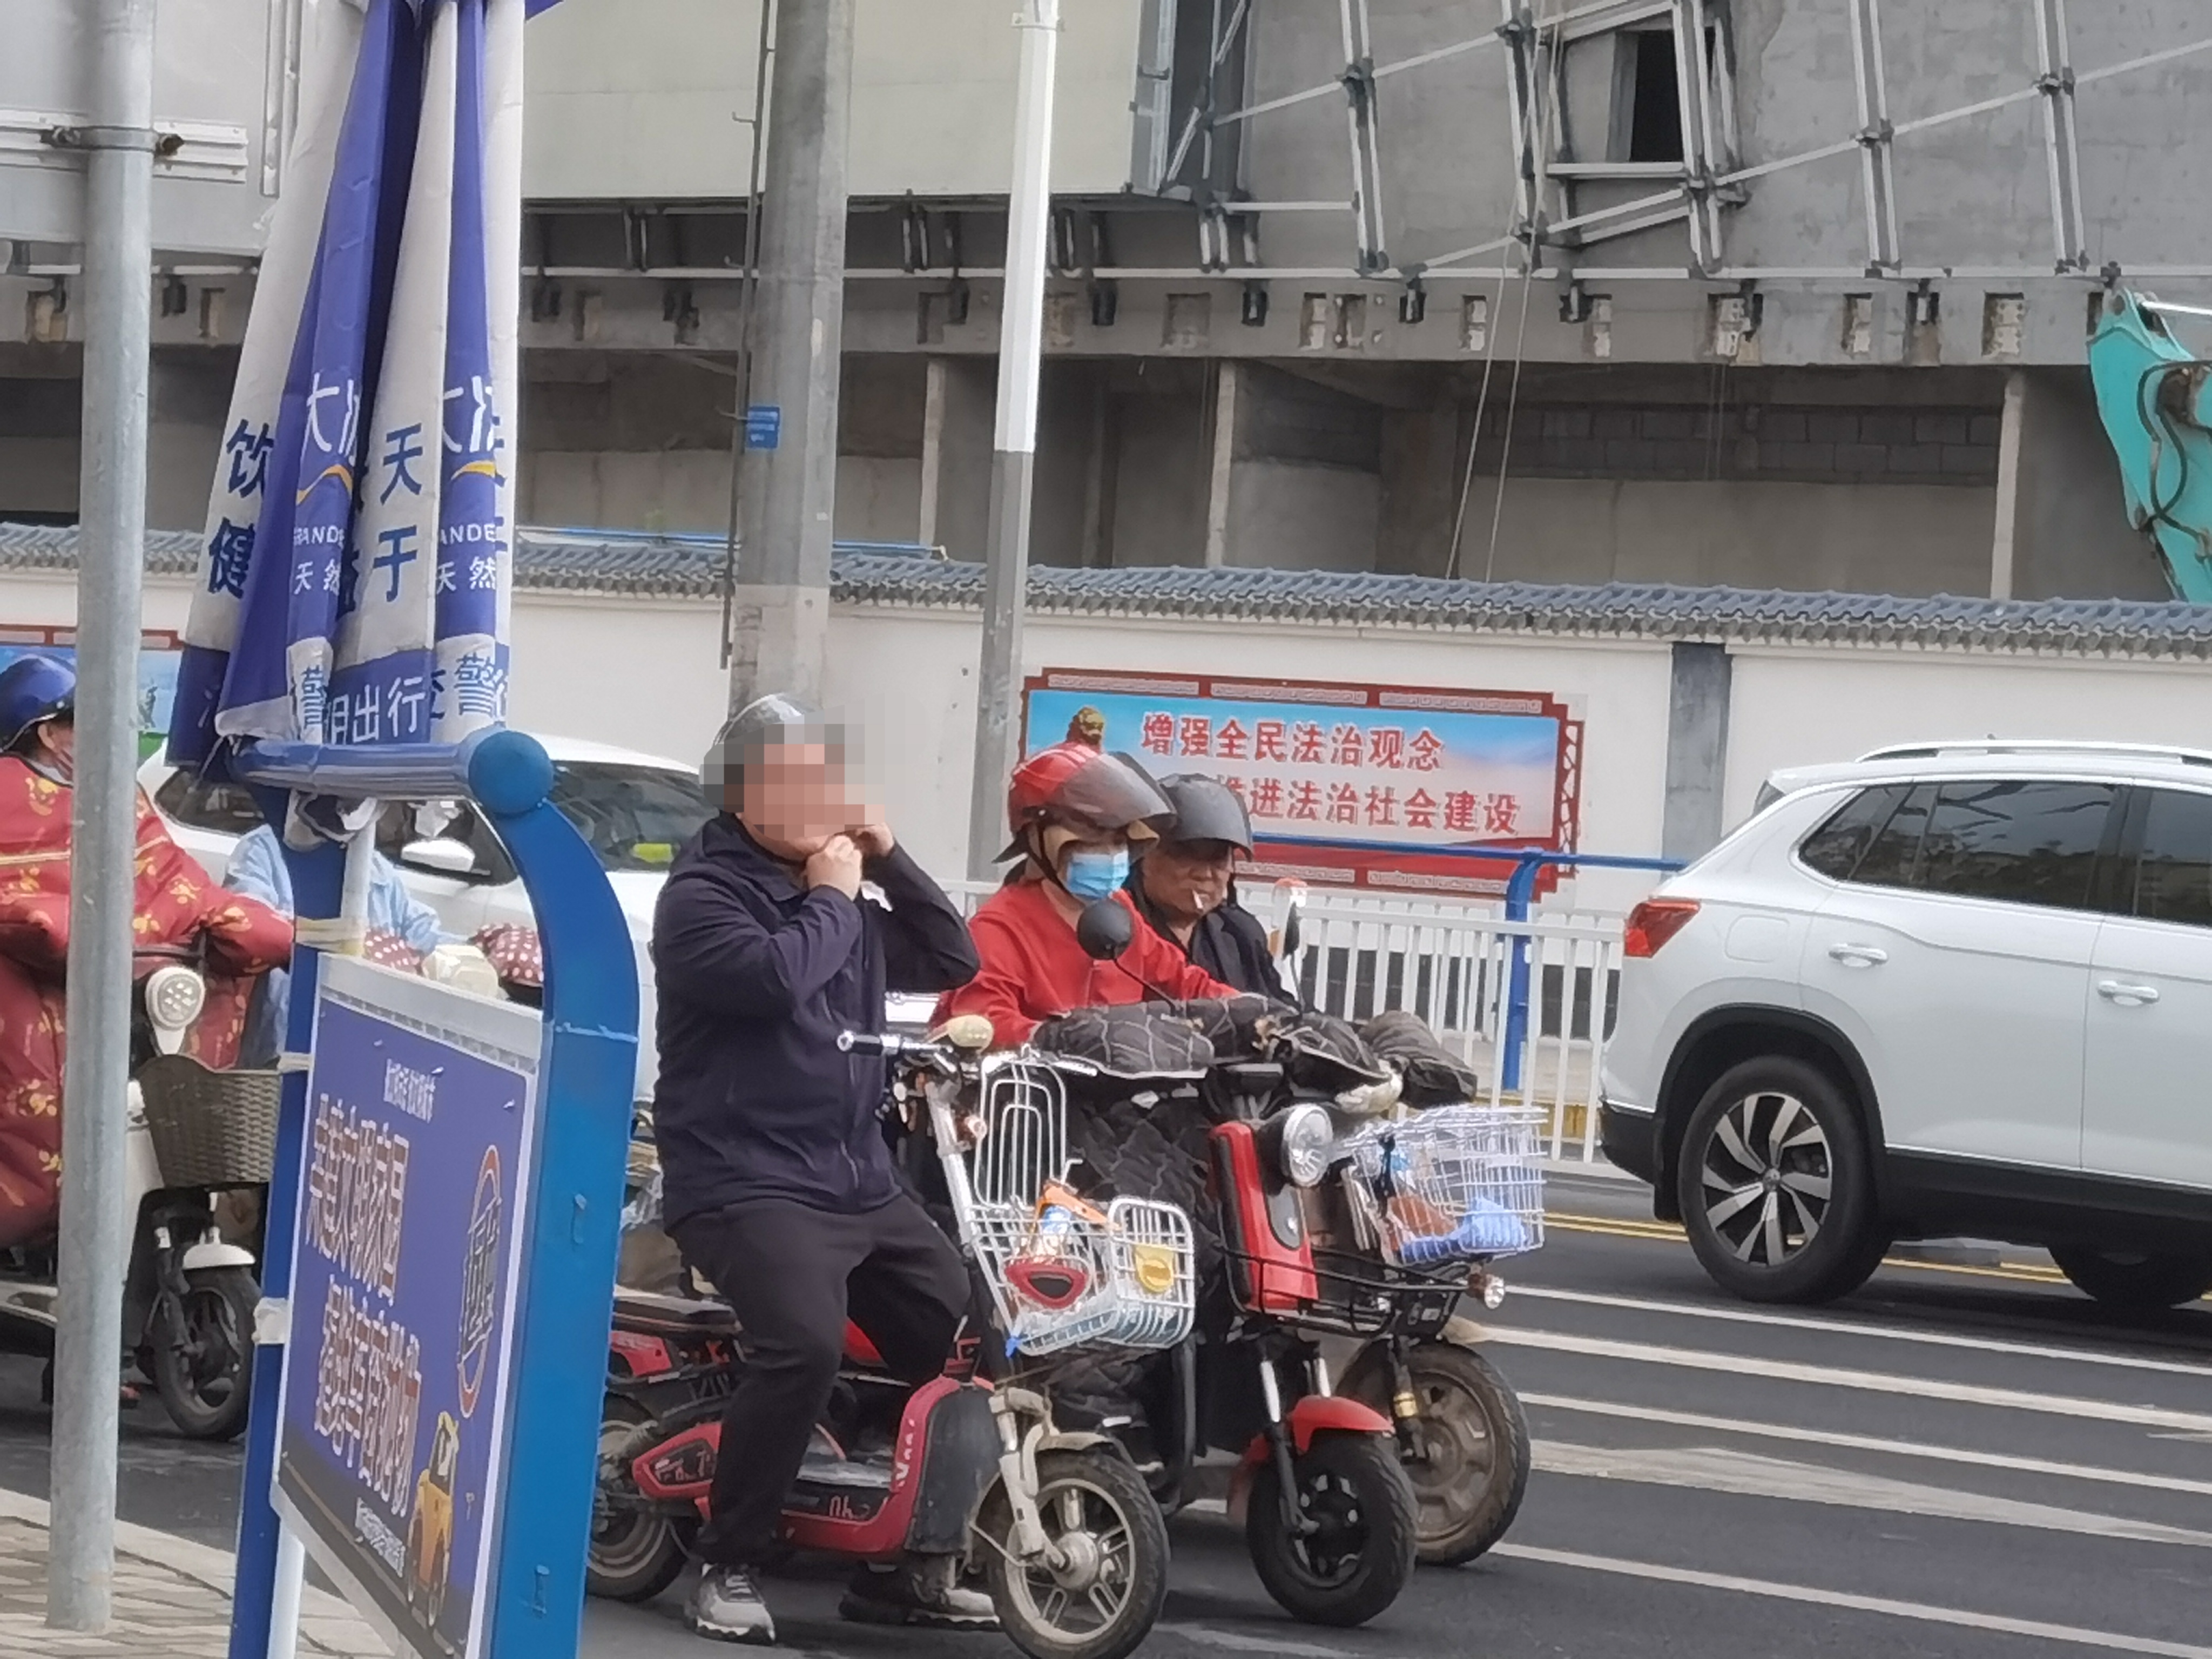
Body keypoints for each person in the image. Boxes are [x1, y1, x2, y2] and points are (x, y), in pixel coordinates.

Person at [651, 693, 982, 1645]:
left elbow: (951, 955)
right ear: (741, 795)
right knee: (802, 1344)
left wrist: (890, 857)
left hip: (857, 1179)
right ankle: (727, 1562)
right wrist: (835, 895)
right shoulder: (702, 898)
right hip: (744, 1179)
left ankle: (904, 1561)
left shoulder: (845, 897)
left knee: (968, 1341)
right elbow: (772, 981)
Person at [0, 656, 290, 1250]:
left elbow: (176, 882)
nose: (109, 739)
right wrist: (52, 926)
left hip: (144, 991)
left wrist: (258, 927)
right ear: (49, 733)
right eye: (88, 723)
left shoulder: (121, 797)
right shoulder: (10, 796)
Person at [934, 742, 1233, 1046]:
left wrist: (1245, 1011)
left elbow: (1185, 983)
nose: (1110, 854)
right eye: (1093, 840)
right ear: (1038, 838)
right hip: (1039, 1076)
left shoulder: (1119, 909)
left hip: (1127, 1074)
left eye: (1119, 841)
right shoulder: (998, 928)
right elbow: (982, 1023)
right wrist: (1055, 1037)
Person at [223, 821, 456, 1067]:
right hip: (284, 1044)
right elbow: (245, 924)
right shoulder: (263, 849)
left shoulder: (374, 866)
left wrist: (474, 950)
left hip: (364, 1049)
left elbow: (425, 936)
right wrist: (327, 941)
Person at [1125, 774, 1294, 1006]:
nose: (1205, 874)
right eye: (1186, 855)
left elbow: (1276, 1009)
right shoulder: (1118, 931)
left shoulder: (1240, 934)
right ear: (1145, 857)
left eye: (1217, 859)